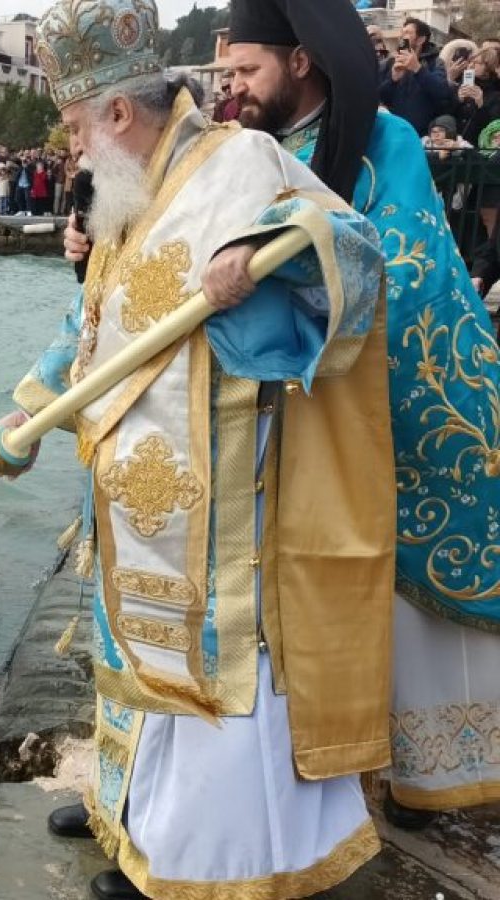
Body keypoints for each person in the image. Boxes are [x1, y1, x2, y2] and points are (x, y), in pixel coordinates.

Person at [22, 1, 393, 897]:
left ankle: (209, 865)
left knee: (213, 685)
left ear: (117, 114)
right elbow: (93, 323)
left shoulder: (240, 162)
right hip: (134, 487)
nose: (72, 149)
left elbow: (357, 252)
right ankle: (132, 820)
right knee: (131, 668)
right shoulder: (128, 190)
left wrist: (274, 250)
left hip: (226, 495)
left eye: (76, 127)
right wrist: (26, 415)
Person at [225, 0, 500, 832]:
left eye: (247, 70)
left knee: (412, 611)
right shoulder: (248, 151)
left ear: (301, 61)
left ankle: (429, 772)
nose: (232, 88)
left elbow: (405, 265)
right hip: (297, 404)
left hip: (406, 399)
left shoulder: (389, 140)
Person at [379, 16, 455, 136]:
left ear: (420, 39)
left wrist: (417, 68)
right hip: (395, 131)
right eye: (402, 32)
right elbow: (382, 97)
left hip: (422, 134)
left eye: (408, 32)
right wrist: (393, 79)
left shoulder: (435, 62)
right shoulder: (391, 62)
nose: (403, 36)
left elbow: (442, 93)